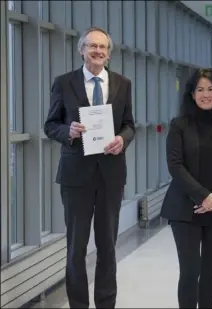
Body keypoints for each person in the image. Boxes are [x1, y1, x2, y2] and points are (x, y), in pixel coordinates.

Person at [44, 27, 135, 308]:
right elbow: (50, 125)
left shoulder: (122, 83)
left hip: (110, 175)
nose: (97, 51)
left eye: (103, 47)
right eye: (92, 46)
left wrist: (123, 139)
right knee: (76, 248)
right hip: (75, 176)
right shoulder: (64, 83)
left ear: (108, 54)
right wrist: (68, 131)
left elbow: (130, 124)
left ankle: (106, 303)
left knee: (107, 246)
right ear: (81, 49)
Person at [160, 68, 212, 309]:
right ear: (192, 94)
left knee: (210, 270)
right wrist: (203, 196)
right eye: (200, 90)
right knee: (190, 269)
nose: (206, 95)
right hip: (185, 208)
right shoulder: (179, 125)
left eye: (211, 89)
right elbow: (175, 165)